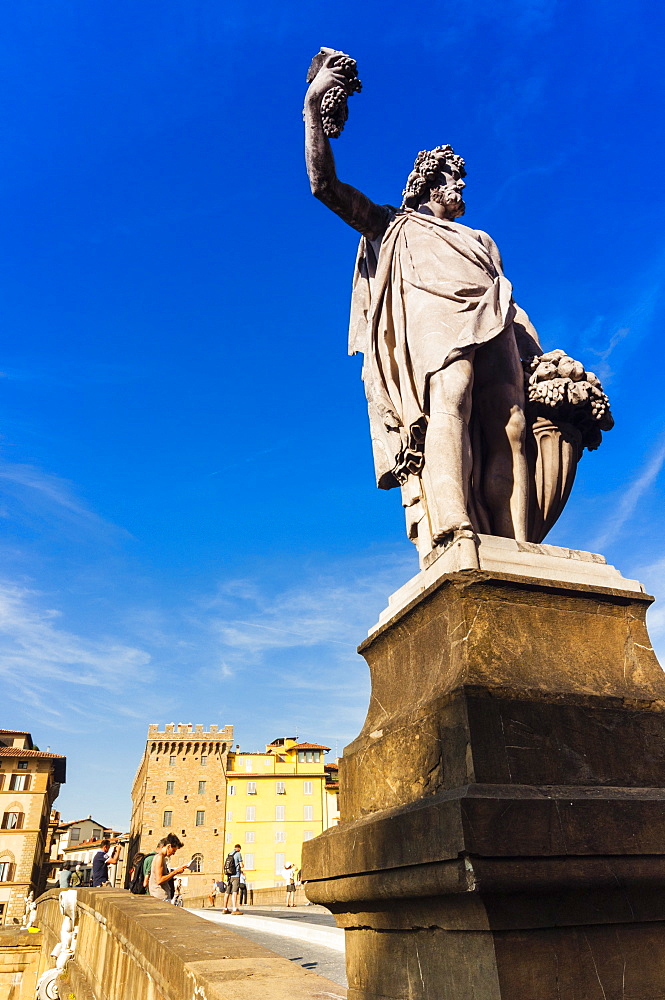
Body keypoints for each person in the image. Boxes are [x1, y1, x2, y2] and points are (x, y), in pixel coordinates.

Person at [304, 51, 546, 561]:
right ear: (429, 183)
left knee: (512, 424)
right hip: (436, 323)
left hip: (492, 317)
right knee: (451, 397)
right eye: (452, 179)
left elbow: (504, 291)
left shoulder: (481, 238)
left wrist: (536, 351)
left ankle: (519, 543)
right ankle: (454, 521)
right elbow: (324, 187)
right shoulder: (393, 224)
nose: (460, 187)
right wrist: (313, 108)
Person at [148, 833, 190, 901]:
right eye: (173, 850)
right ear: (168, 846)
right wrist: (175, 872)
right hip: (160, 897)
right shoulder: (160, 857)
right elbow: (159, 880)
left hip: (159, 896)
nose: (173, 853)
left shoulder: (160, 857)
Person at [221, 844, 243, 915]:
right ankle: (234, 909)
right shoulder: (238, 854)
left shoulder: (229, 854)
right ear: (239, 848)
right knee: (234, 892)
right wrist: (241, 865)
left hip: (229, 876)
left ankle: (225, 908)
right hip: (236, 875)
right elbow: (241, 865)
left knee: (227, 892)